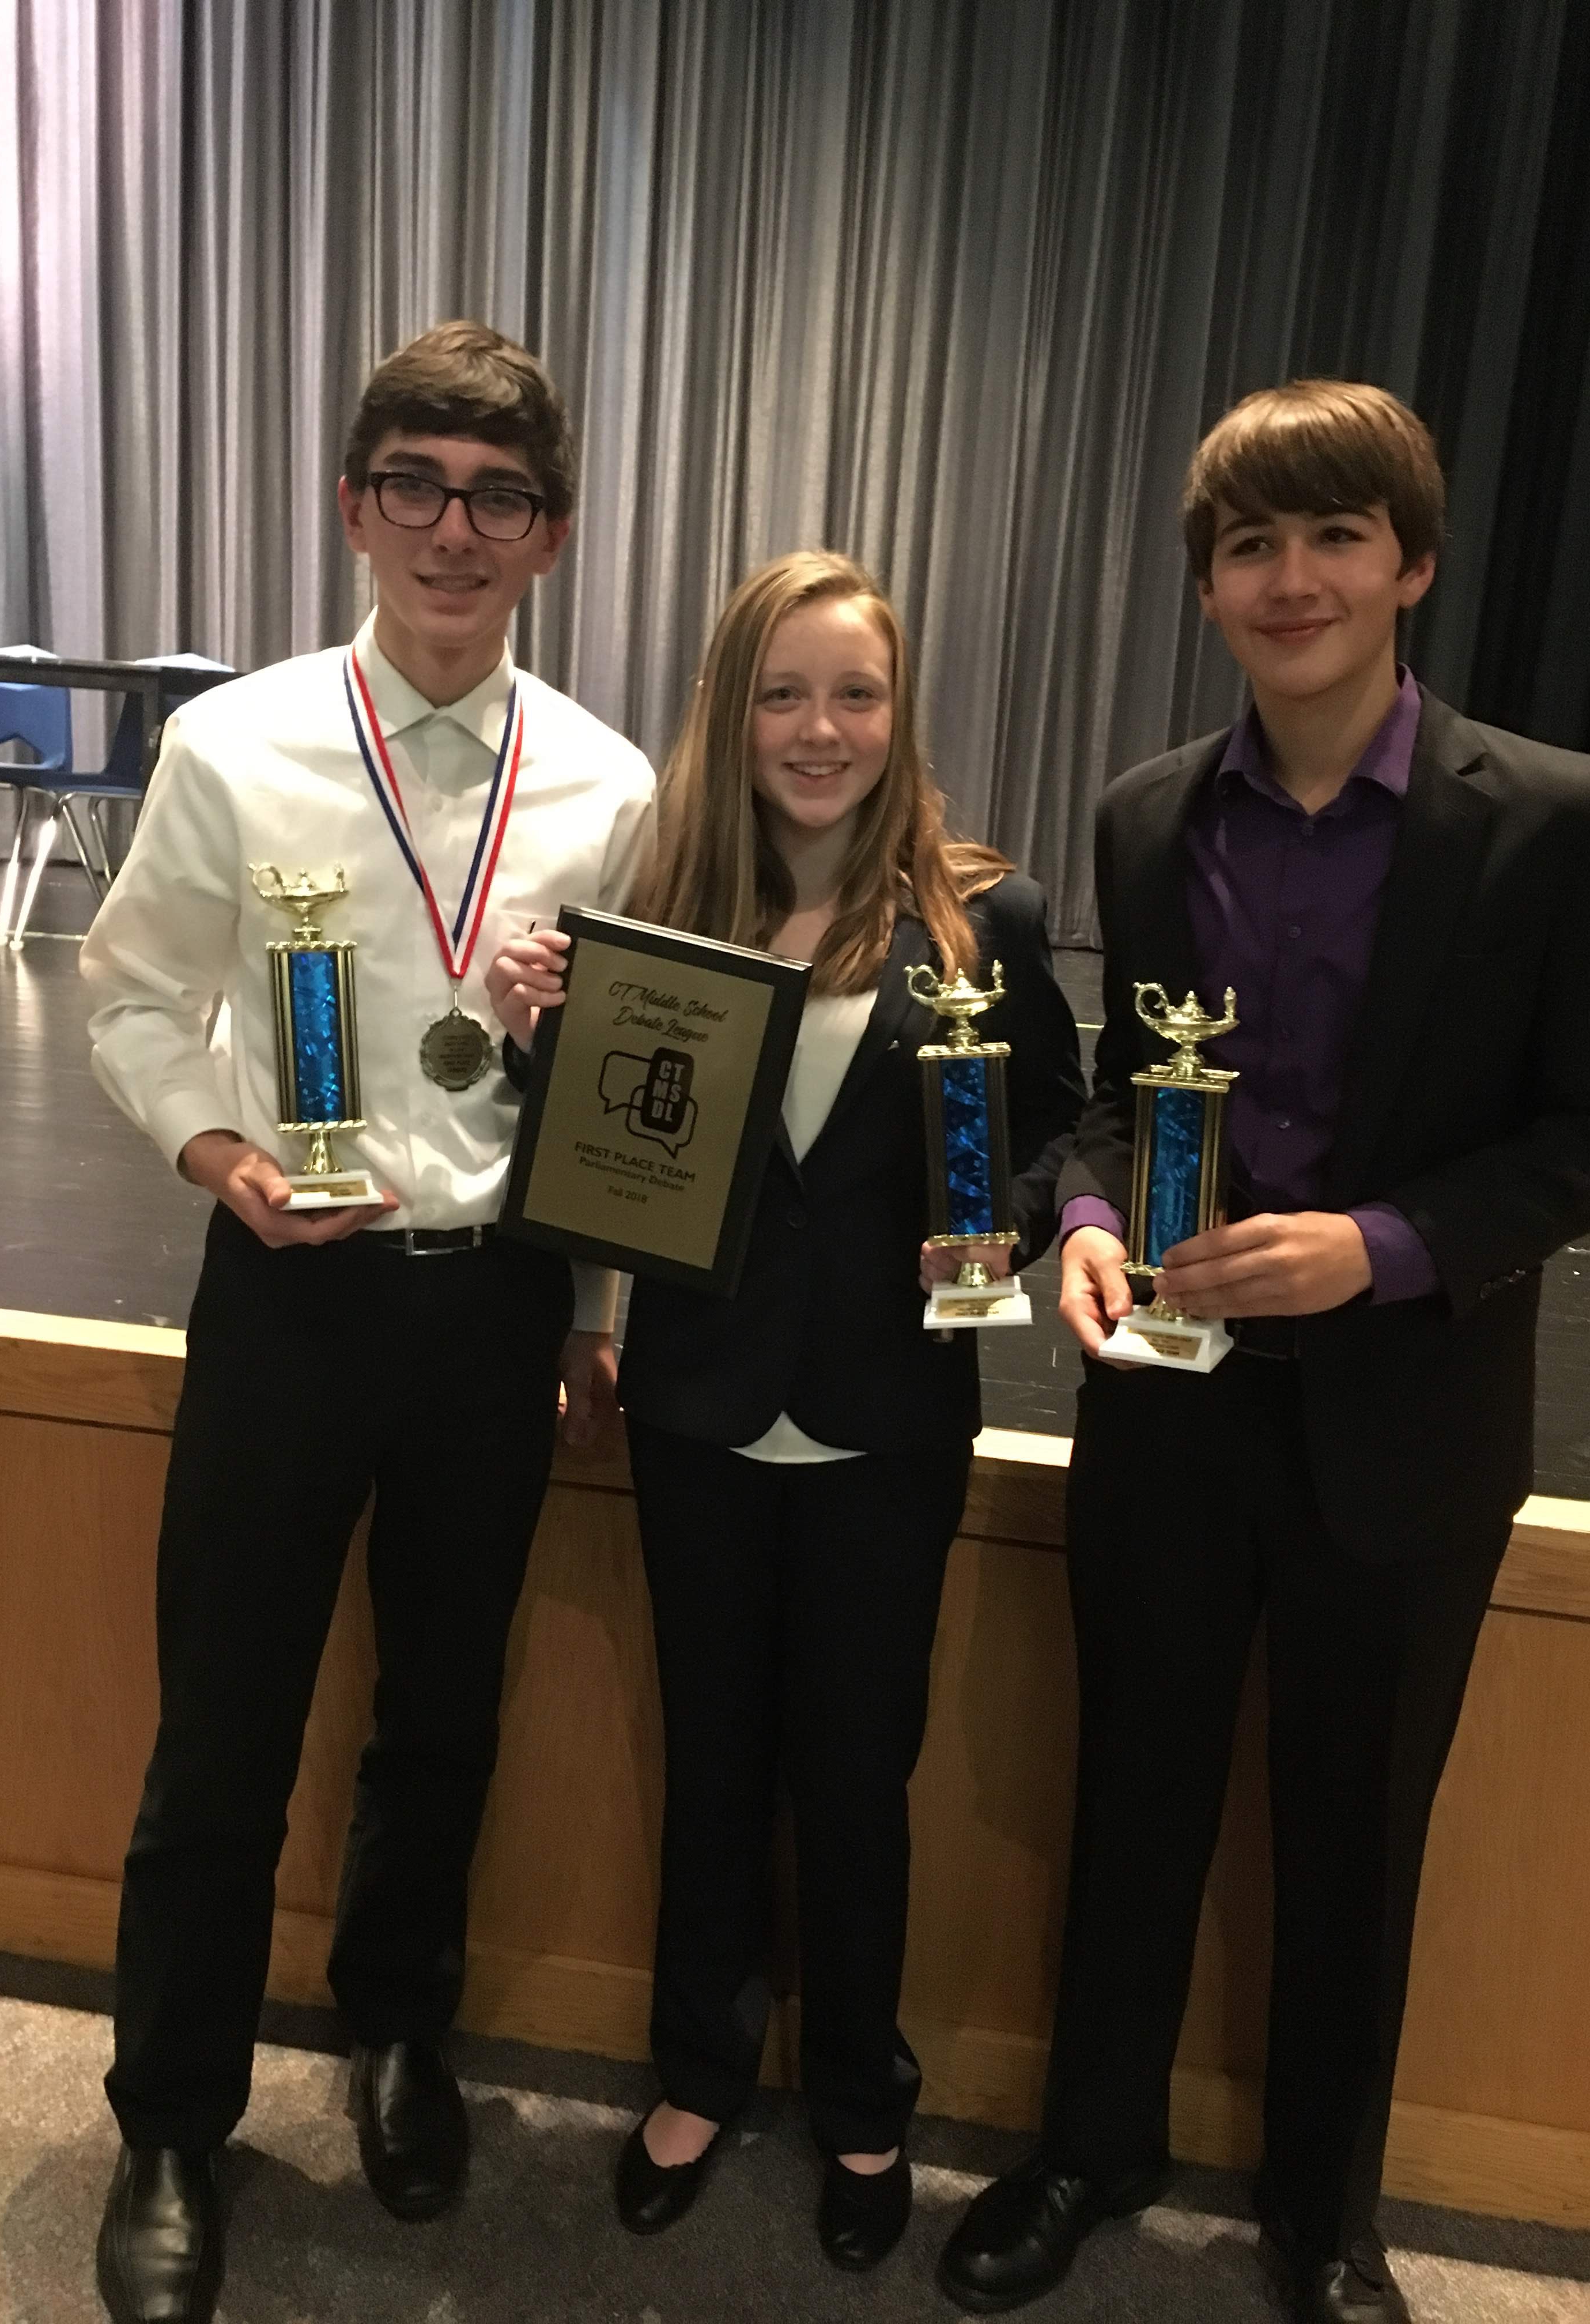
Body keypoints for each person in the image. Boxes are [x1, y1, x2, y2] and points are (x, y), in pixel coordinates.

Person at [938, 380, 1590, 2322]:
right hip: (1172, 1410)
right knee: (1129, 1800)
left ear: (1409, 562)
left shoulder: (1558, 821)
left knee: (1356, 1835)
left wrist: (1386, 1250)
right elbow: (1119, 1105)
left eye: (1334, 537)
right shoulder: (1150, 814)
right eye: (1252, 545)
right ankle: (1090, 2148)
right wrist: (1078, 1226)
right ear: (1211, 588)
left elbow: (1589, 1128)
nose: (1293, 575)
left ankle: (1327, 2217)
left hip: (1412, 1422)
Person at [80, 321, 654, 2324]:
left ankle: (400, 2033)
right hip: (289, 1298)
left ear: (551, 534)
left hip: (496, 1311)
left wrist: (589, 1292)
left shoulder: (610, 779)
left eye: (499, 498)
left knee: (444, 1718)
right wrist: (218, 1153)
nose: (453, 530)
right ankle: (170, 2119)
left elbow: (612, 1087)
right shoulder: (234, 745)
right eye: (413, 484)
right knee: (221, 1730)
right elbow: (131, 995)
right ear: (353, 505)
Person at [489, 550, 1085, 2273]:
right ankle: (695, 2070)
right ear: (732, 709)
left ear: (899, 717)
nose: (820, 730)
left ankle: (861, 2097)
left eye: (856, 695)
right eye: (784, 691)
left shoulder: (993, 917)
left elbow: (1055, 1132)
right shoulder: (660, 916)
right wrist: (543, 1045)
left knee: (858, 1774)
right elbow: (609, 1162)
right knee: (714, 1758)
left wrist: (1019, 1223)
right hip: (696, 1412)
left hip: (890, 1426)